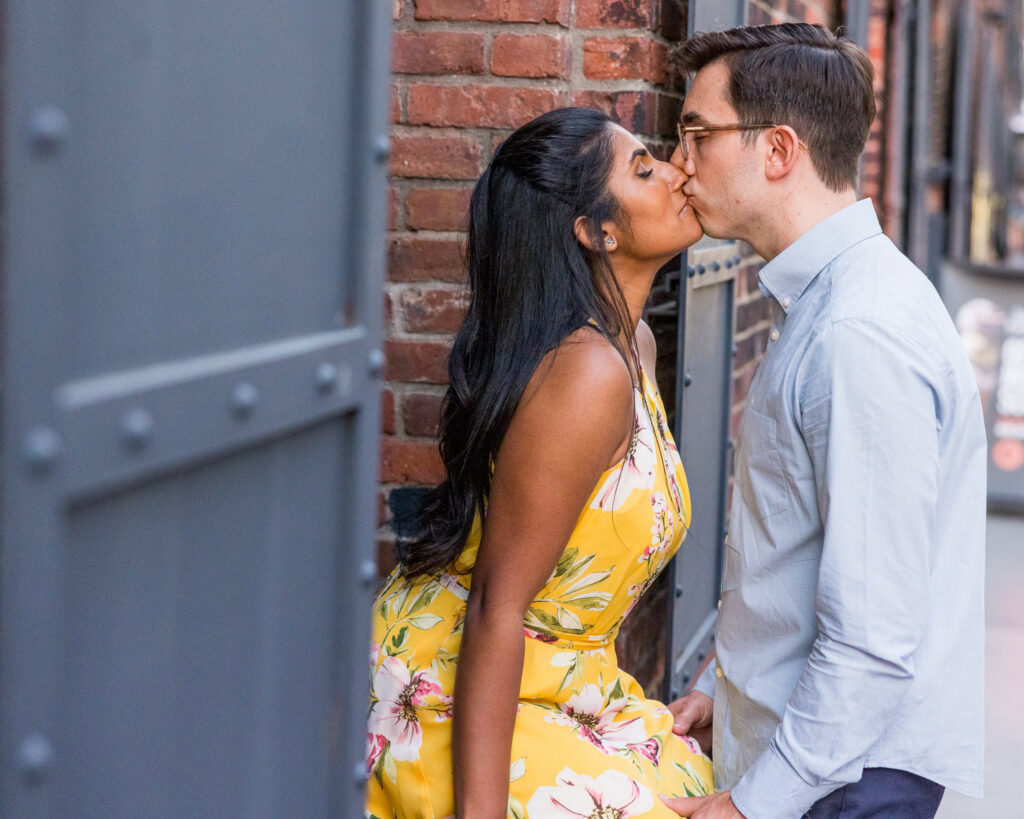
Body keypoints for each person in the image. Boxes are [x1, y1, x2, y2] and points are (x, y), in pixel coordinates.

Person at [660, 24, 987, 819]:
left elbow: (873, 638)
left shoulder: (857, 333)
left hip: (843, 782)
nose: (679, 162)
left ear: (778, 151)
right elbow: (799, 550)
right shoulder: (835, 302)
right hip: (824, 765)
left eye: (697, 133)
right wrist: (719, 686)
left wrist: (751, 805)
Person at [366, 107, 714, 818]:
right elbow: (498, 602)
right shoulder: (587, 372)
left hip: (563, 682)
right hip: (455, 684)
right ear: (595, 230)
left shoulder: (633, 346)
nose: (679, 172)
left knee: (698, 789)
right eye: (645, 170)